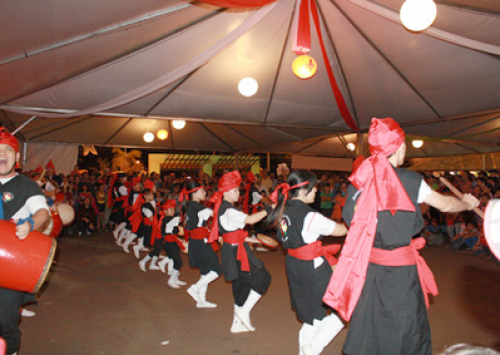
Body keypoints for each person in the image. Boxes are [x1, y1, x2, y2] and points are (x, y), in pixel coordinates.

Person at [323, 117, 479, 355]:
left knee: (370, 317)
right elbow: (446, 205)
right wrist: (465, 203)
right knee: (403, 322)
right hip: (399, 269)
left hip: (368, 266)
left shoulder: (359, 180)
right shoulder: (409, 179)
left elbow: (350, 219)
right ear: (399, 146)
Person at [267, 170, 347, 354]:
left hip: (294, 264)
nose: (316, 191)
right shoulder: (310, 216)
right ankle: (313, 348)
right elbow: (341, 230)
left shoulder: (282, 210)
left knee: (311, 317)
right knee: (343, 308)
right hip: (312, 268)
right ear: (303, 190)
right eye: (314, 187)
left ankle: (306, 351)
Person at [0, 128, 50, 355]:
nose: (2, 154)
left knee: (6, 323)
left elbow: (42, 212)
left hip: (9, 266)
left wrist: (31, 224)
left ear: (17, 158)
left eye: (7, 150)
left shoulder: (27, 185)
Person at [209, 170, 272, 333]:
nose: (239, 193)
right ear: (227, 191)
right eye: (236, 190)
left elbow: (232, 235)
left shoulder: (223, 208)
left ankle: (236, 324)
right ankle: (243, 312)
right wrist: (269, 210)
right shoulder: (229, 210)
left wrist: (254, 240)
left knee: (241, 285)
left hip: (232, 250)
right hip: (237, 252)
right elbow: (250, 220)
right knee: (263, 278)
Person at [183, 181, 222, 309]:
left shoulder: (190, 206)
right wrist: (222, 201)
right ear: (194, 194)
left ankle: (201, 301)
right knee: (217, 270)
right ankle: (195, 288)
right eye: (201, 191)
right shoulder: (198, 208)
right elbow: (217, 215)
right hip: (200, 242)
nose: (204, 192)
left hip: (195, 242)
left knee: (205, 272)